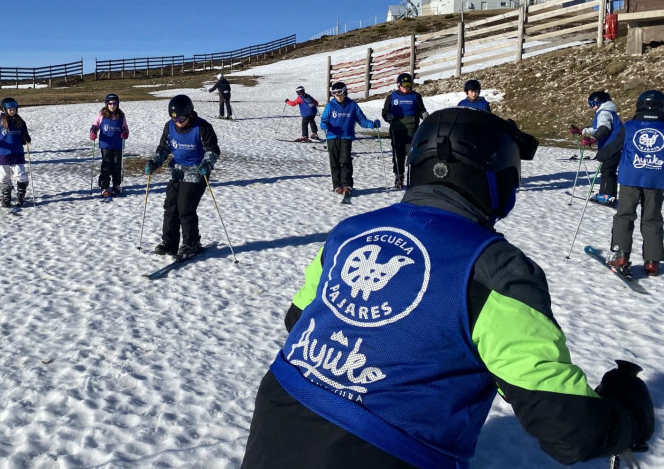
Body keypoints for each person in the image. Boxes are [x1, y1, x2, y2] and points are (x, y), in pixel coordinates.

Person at [242, 107, 654, 469]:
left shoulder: (350, 231)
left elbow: (297, 318)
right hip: (387, 448)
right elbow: (568, 428)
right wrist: (625, 416)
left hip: (281, 409)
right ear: (497, 182)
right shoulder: (495, 269)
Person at [144, 94, 220, 260]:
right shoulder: (170, 127)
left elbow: (212, 150)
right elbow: (163, 150)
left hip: (197, 172)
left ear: (190, 113)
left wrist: (207, 164)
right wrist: (154, 163)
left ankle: (191, 243)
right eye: (174, 118)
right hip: (177, 171)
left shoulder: (203, 127)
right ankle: (169, 243)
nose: (177, 121)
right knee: (170, 207)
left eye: (181, 118)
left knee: (185, 208)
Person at [606, 90, 664, 277]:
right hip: (657, 179)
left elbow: (613, 148)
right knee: (653, 218)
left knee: (625, 215)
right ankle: (652, 262)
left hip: (630, 177)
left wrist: (602, 157)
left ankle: (621, 255)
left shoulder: (629, 126)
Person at [320, 81, 378, 196]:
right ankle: (337, 185)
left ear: (345, 92)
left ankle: (346, 184)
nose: (338, 96)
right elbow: (324, 119)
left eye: (340, 93)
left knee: (345, 160)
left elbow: (362, 120)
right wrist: (324, 124)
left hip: (346, 137)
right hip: (333, 137)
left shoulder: (352, 105)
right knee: (334, 162)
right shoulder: (330, 106)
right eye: (335, 94)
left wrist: (372, 124)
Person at [569, 91, 622, 206]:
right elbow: (596, 128)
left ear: (599, 103)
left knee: (608, 170)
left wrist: (592, 139)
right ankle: (606, 195)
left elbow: (604, 129)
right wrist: (581, 131)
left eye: (592, 104)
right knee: (607, 170)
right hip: (613, 146)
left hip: (612, 146)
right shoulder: (607, 112)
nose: (591, 107)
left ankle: (607, 197)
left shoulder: (604, 113)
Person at [382, 72, 428, 189]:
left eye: (408, 85)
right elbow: (385, 111)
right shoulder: (391, 97)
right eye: (404, 85)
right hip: (397, 129)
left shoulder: (416, 96)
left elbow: (421, 110)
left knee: (412, 153)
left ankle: (414, 176)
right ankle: (399, 175)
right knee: (398, 154)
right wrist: (388, 116)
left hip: (412, 128)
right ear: (398, 85)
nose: (406, 87)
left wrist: (425, 116)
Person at [0, 97, 32, 207]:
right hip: (3, 153)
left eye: (14, 109)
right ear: (4, 110)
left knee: (21, 174)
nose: (12, 111)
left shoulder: (20, 122)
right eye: (10, 109)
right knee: (3, 175)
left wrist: (26, 137)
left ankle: (21, 194)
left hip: (17, 152)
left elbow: (23, 134)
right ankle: (6, 196)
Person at [89, 93, 129, 198]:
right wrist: (93, 131)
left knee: (117, 166)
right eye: (110, 103)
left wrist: (125, 133)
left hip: (117, 144)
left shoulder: (121, 115)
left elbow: (125, 127)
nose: (112, 105)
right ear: (107, 104)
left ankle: (116, 185)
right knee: (106, 166)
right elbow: (95, 124)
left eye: (114, 103)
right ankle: (104, 187)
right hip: (106, 144)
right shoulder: (102, 114)